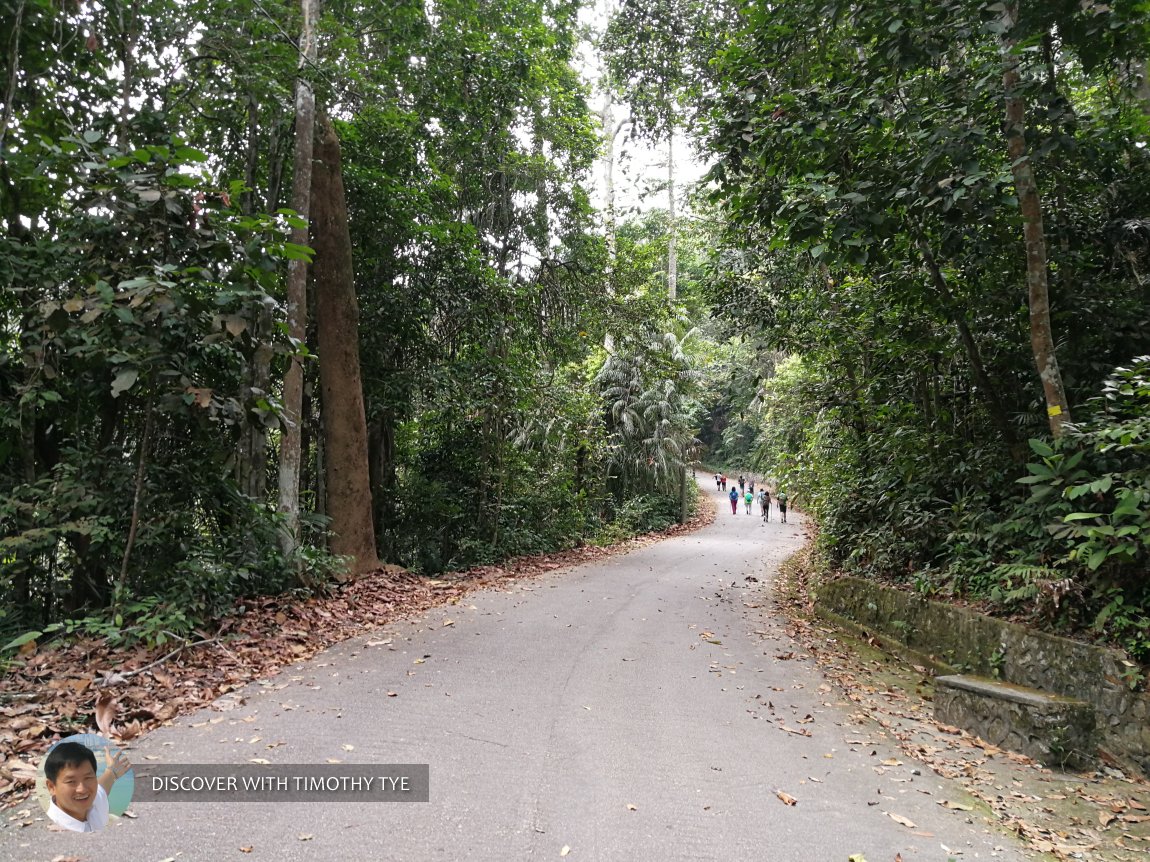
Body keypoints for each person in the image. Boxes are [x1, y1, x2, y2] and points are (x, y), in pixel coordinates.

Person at [44, 740, 131, 832]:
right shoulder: (56, 828)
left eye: (88, 778)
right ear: (51, 787)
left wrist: (112, 771)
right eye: (71, 781)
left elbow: (102, 786)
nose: (82, 789)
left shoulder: (94, 800)